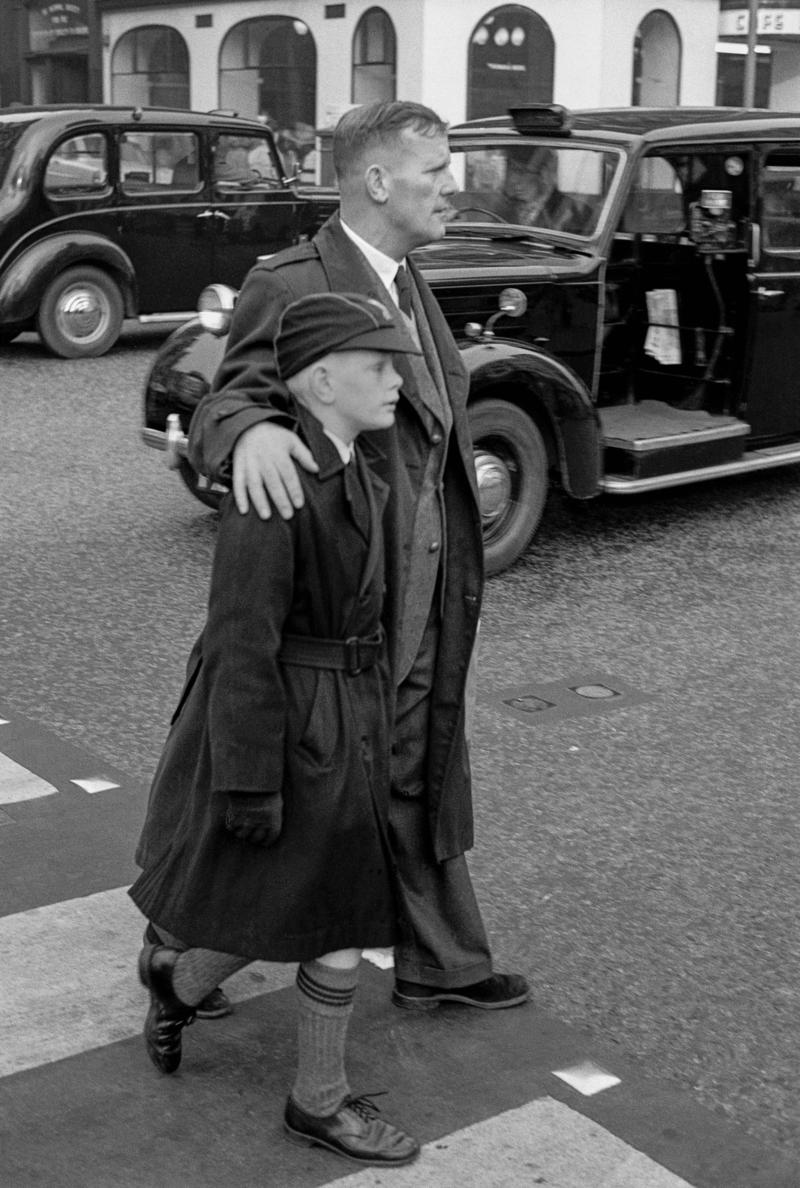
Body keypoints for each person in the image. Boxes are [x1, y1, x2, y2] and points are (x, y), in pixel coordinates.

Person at [182, 99, 530, 1016]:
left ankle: (440, 962)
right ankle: (180, 953)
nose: (452, 188)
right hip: (346, 602)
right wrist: (251, 428)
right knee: (315, 794)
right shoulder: (293, 279)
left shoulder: (408, 277)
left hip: (425, 588)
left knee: (418, 759)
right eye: (436, 172)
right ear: (378, 182)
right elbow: (225, 395)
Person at [130, 291, 423, 1168]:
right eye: (379, 366)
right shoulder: (276, 483)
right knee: (335, 911)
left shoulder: (359, 461)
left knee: (317, 900)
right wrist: (249, 778)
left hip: (347, 715)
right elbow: (240, 643)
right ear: (324, 379)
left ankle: (179, 979)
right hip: (300, 722)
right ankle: (317, 1102)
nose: (397, 382)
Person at [502, 145, 586, 232]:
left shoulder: (566, 210)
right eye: (512, 170)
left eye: (522, 172)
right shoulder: (508, 206)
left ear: (545, 174)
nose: (513, 180)